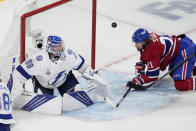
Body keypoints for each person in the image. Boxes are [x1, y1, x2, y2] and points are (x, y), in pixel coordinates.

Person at [10, 35, 110, 102]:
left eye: (61, 45)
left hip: (65, 80)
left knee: (76, 97)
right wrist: (14, 93)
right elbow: (18, 75)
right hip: (44, 84)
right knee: (45, 102)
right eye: (58, 46)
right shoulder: (37, 60)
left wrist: (93, 76)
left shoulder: (69, 55)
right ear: (50, 48)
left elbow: (83, 66)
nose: (61, 48)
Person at [127, 28, 196, 91]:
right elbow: (148, 58)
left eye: (137, 43)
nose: (135, 45)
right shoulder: (148, 40)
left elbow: (153, 75)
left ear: (144, 41)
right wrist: (143, 64)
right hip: (178, 51)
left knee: (180, 84)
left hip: (185, 50)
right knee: (174, 74)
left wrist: (139, 80)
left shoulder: (154, 50)